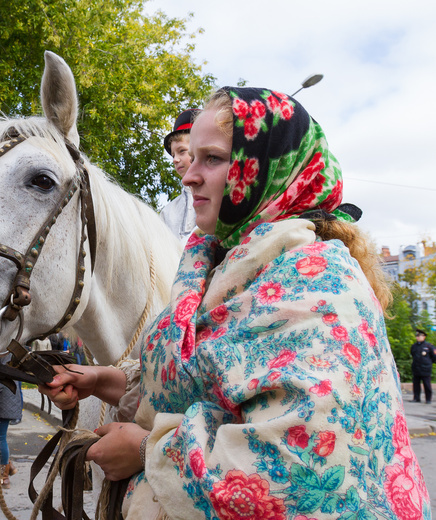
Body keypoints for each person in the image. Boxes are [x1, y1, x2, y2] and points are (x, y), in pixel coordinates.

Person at [39, 87, 431, 518]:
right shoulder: (221, 268)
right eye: (192, 158)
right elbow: (200, 380)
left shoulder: (318, 287)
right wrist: (102, 380)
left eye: (212, 159)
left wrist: (148, 450)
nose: (189, 176)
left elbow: (298, 471)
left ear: (264, 169)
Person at [160, 108, 200, 242]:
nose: (175, 159)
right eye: (173, 155)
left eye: (182, 151)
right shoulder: (168, 212)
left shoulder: (221, 196)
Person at [410, 329, 436, 404]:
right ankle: (416, 398)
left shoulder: (429, 346)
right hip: (416, 367)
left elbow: (434, 357)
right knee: (416, 384)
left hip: (425, 368)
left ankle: (428, 399)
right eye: (417, 336)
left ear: (424, 337)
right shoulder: (414, 346)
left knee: (427, 384)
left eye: (419, 336)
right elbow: (413, 354)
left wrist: (428, 363)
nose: (417, 337)